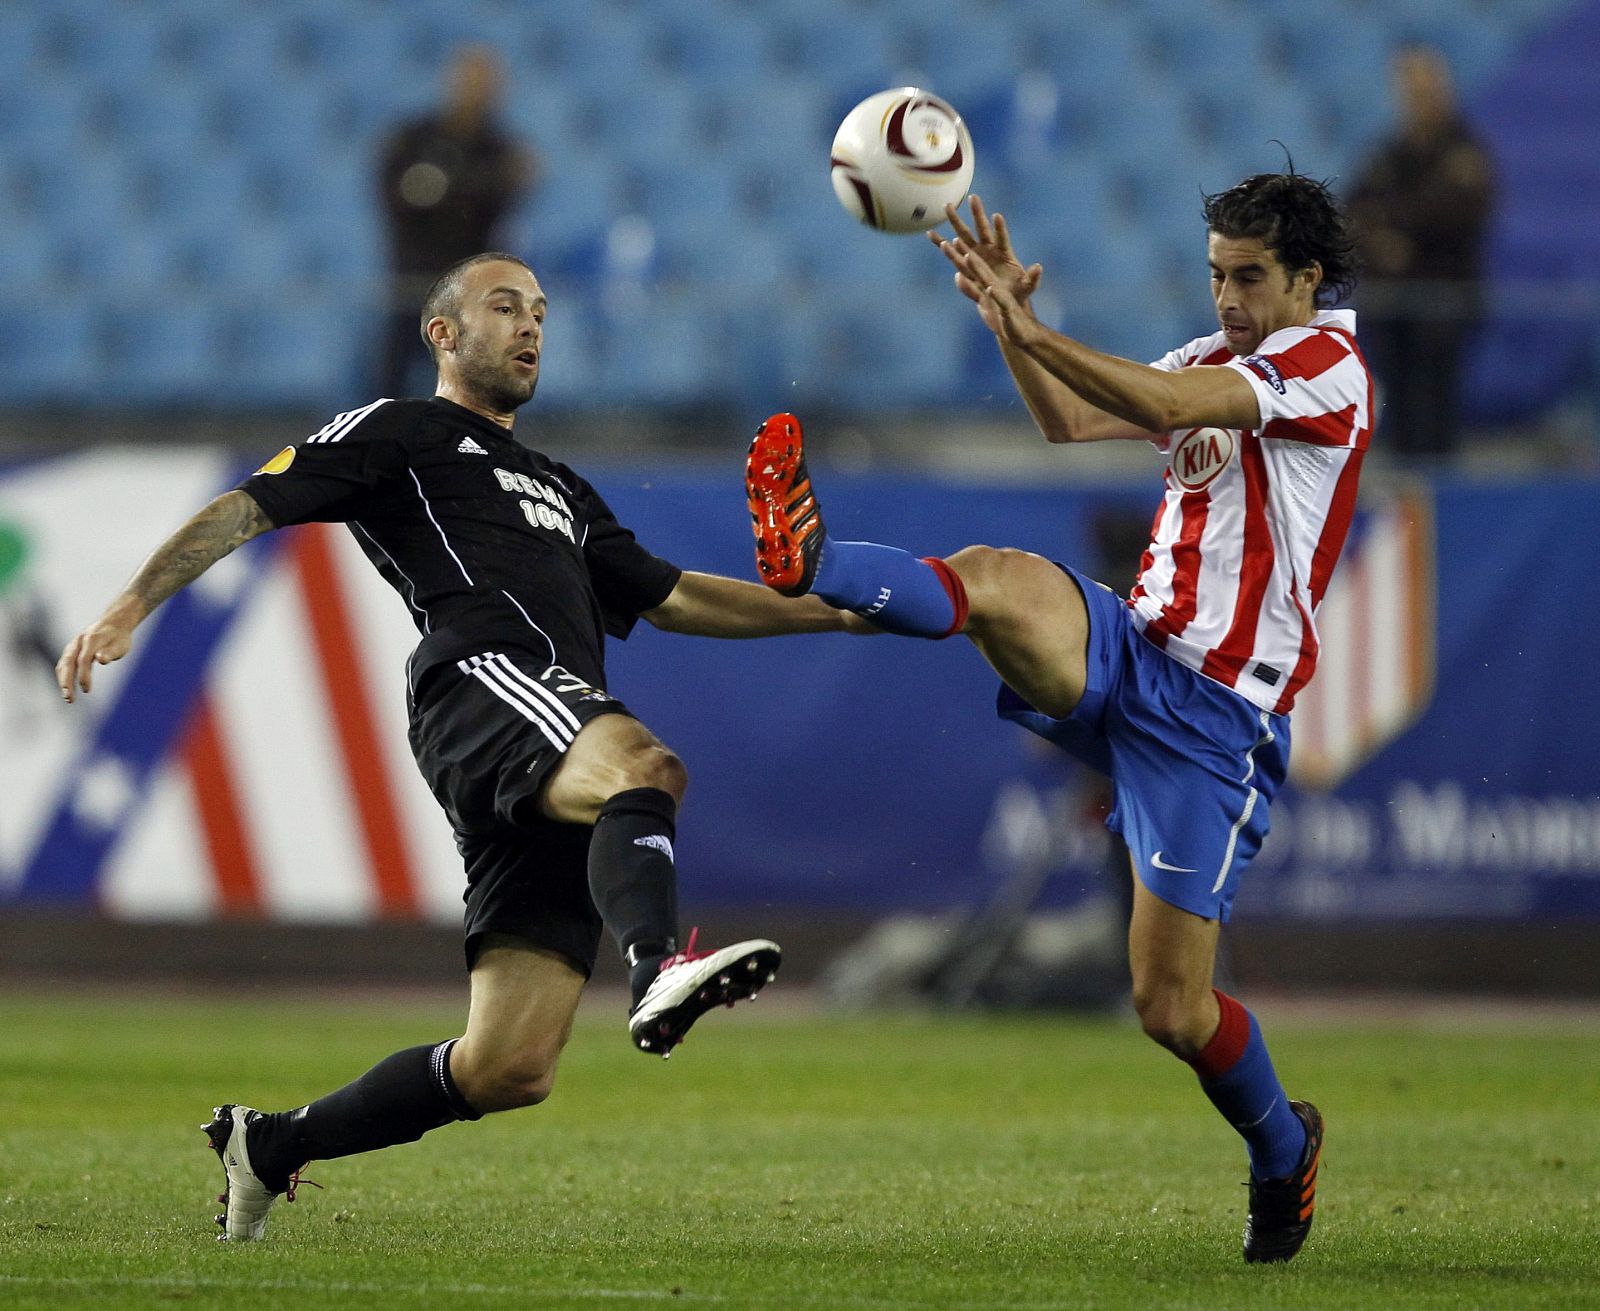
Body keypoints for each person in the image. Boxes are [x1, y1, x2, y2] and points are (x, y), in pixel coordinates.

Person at [57, 252, 857, 1242]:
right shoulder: (402, 431)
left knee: (508, 1067)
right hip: (481, 680)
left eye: (541, 313)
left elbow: (678, 595)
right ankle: (655, 970)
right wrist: (133, 603)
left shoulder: (560, 486)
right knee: (646, 768)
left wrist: (838, 614)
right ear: (442, 333)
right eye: (505, 306)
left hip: (545, 727)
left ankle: (269, 1144)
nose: (530, 326)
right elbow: (249, 505)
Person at [745, 173, 1368, 1264]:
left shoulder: (1328, 367)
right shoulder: (1213, 354)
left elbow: (1166, 411)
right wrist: (1007, 329)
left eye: (1249, 277)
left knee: (1169, 1008)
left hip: (1213, 719)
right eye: (1216, 273)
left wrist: (1038, 325)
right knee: (991, 579)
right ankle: (813, 557)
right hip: (1132, 648)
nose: (1225, 297)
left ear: (1309, 279)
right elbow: (1069, 421)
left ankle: (1282, 1147)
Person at [1349, 44, 1494, 460]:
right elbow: (1352, 210)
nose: (1418, 97)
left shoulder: (1465, 152)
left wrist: (1396, 233)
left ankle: (1442, 497)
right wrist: (1383, 240)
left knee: (1437, 410)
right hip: (1392, 307)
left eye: (1425, 86)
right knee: (1399, 412)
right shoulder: (1390, 153)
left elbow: (1456, 212)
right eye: (1409, 88)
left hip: (1442, 305)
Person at [375, 46, 535, 398]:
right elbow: (395, 196)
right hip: (413, 284)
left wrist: (446, 188)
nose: (478, 91)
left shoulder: (499, 147)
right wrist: (471, 186)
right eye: (471, 81)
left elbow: (503, 197)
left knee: (474, 389)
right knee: (393, 385)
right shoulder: (414, 139)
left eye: (487, 83)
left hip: (470, 293)